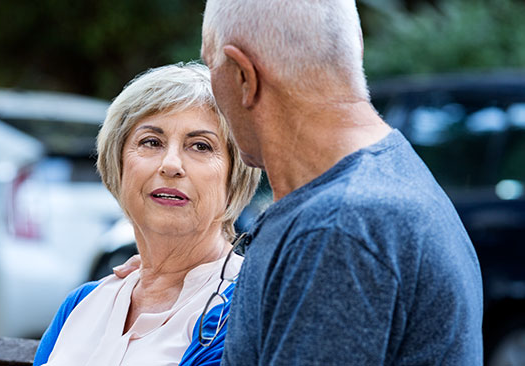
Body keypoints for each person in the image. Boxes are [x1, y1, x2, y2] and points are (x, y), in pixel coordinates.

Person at [198, 0, 484, 364]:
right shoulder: (390, 176)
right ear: (356, 46)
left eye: (211, 66)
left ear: (243, 76)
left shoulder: (338, 228)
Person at [32, 62, 261, 366]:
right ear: (119, 165)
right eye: (151, 142)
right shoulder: (81, 305)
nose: (171, 164)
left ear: (235, 178)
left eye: (201, 146)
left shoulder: (243, 309)